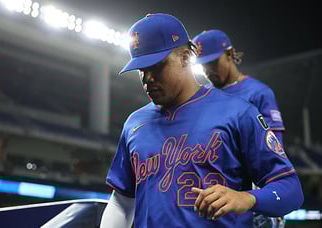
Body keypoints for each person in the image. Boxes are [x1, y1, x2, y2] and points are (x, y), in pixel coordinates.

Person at [100, 13, 303, 228]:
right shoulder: (134, 123)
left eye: (157, 66)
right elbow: (122, 203)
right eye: (141, 69)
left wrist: (247, 198)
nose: (147, 78)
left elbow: (291, 189)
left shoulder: (238, 113)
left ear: (186, 58)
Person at [192, 30, 287, 227]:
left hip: (247, 195)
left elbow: (274, 150)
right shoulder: (204, 96)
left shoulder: (258, 92)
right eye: (203, 65)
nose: (208, 71)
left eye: (212, 62)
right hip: (213, 194)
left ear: (229, 54)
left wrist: (269, 200)